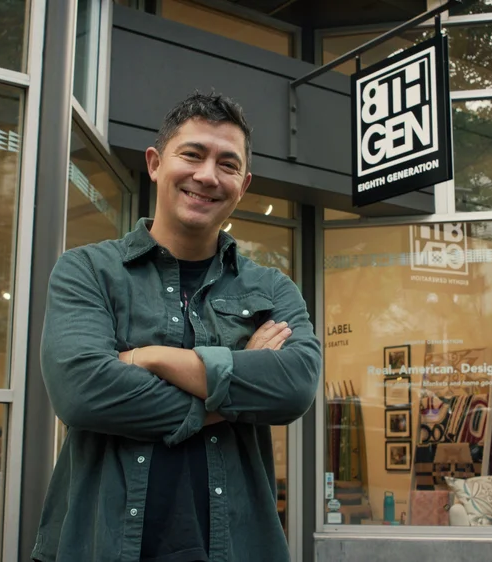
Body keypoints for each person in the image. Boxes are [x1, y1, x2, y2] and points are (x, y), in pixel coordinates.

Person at [33, 91, 322, 562]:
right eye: (192, 154)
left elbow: (294, 388)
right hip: (100, 546)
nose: (207, 176)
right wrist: (233, 391)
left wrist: (150, 358)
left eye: (227, 164)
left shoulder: (271, 289)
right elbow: (81, 390)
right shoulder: (86, 270)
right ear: (154, 163)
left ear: (243, 184)